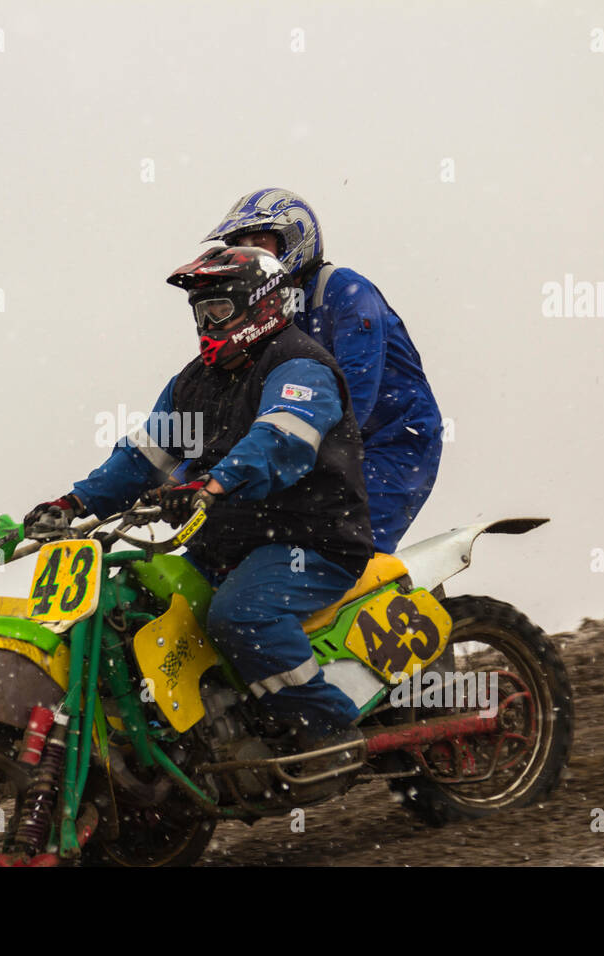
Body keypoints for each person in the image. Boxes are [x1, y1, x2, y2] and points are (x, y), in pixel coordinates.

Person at [25, 246, 371, 755]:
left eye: (219, 310)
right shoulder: (195, 383)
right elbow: (143, 459)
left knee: (240, 616)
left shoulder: (299, 366)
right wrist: (74, 503)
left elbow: (280, 439)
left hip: (311, 542)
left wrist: (214, 483)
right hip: (226, 547)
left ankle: (330, 729)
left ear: (262, 307)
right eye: (199, 312)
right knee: (137, 603)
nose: (206, 324)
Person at [203, 188, 442, 554]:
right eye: (243, 246)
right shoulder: (272, 312)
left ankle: (402, 605)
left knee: (340, 551)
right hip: (330, 449)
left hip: (395, 443)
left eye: (260, 243)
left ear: (295, 240)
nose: (252, 254)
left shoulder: (346, 291)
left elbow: (354, 397)